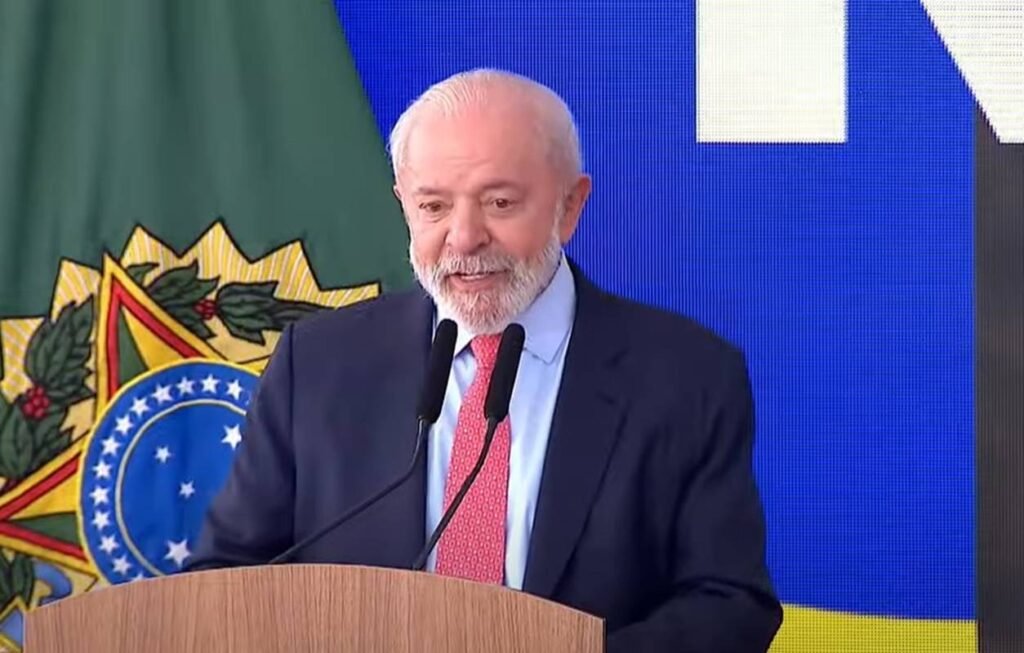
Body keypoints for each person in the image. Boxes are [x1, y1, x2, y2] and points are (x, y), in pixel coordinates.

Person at [190, 68, 782, 652]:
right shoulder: (318, 365)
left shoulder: (686, 377)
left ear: (570, 206)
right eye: (433, 207)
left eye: (499, 202)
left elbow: (729, 604)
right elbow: (225, 580)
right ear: (403, 205)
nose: (464, 236)